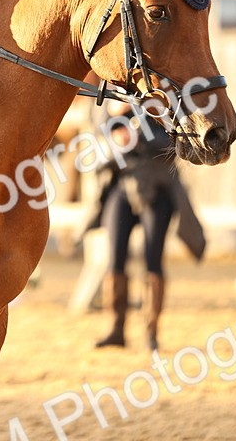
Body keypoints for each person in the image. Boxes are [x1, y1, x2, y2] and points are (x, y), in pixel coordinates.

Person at [90, 106, 205, 351]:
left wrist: (139, 136)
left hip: (157, 186)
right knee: (115, 258)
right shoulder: (117, 92)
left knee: (152, 258)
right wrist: (115, 113)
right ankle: (115, 329)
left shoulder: (163, 97)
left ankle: (151, 332)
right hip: (121, 184)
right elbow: (99, 122)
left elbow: (175, 139)